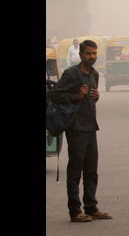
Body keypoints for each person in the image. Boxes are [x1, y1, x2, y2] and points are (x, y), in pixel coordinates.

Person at [48, 40, 113, 222]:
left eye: (94, 53)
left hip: (91, 127)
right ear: (81, 54)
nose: (92, 57)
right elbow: (54, 95)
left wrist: (96, 97)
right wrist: (77, 96)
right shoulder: (71, 74)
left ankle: (91, 207)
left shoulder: (94, 74)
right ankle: (75, 211)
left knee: (91, 170)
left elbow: (90, 101)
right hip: (76, 129)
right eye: (88, 54)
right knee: (75, 170)